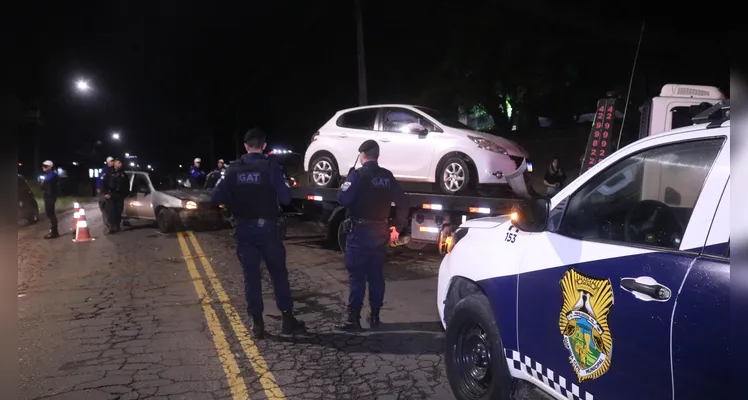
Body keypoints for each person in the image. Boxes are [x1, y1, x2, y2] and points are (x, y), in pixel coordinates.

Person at [211, 128, 306, 339]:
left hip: (244, 230)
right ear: (263, 146)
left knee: (251, 278)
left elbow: (216, 196)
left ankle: (258, 325)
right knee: (279, 276)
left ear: (246, 146)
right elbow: (286, 199)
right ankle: (287, 320)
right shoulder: (272, 166)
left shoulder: (233, 169)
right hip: (270, 230)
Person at [335, 139, 408, 331]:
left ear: (362, 155)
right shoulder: (387, 176)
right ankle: (375, 316)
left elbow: (342, 199)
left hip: (359, 232)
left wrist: (348, 179)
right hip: (380, 232)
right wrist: (398, 227)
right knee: (376, 276)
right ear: (377, 155)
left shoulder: (358, 175)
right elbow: (403, 202)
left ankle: (353, 319)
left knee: (357, 276)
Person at [102, 158, 129, 234]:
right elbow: (103, 183)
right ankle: (111, 227)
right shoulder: (108, 172)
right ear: (115, 163)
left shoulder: (123, 174)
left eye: (121, 163)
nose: (121, 164)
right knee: (111, 211)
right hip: (111, 194)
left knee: (119, 211)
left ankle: (117, 226)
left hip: (120, 195)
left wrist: (125, 194)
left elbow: (127, 185)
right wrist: (105, 193)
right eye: (119, 162)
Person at [40, 160, 60, 239]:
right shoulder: (48, 174)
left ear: (50, 167)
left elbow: (46, 185)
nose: (43, 167)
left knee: (50, 214)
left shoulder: (52, 175)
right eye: (43, 165)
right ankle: (54, 232)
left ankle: (54, 232)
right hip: (48, 196)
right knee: (49, 214)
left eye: (45, 166)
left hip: (50, 196)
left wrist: (43, 183)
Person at [97, 156, 114, 229]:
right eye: (111, 161)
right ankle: (108, 223)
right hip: (104, 192)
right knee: (105, 209)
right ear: (108, 162)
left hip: (109, 192)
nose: (113, 162)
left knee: (110, 209)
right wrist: (100, 189)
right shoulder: (105, 170)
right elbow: (100, 181)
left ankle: (111, 224)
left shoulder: (113, 170)